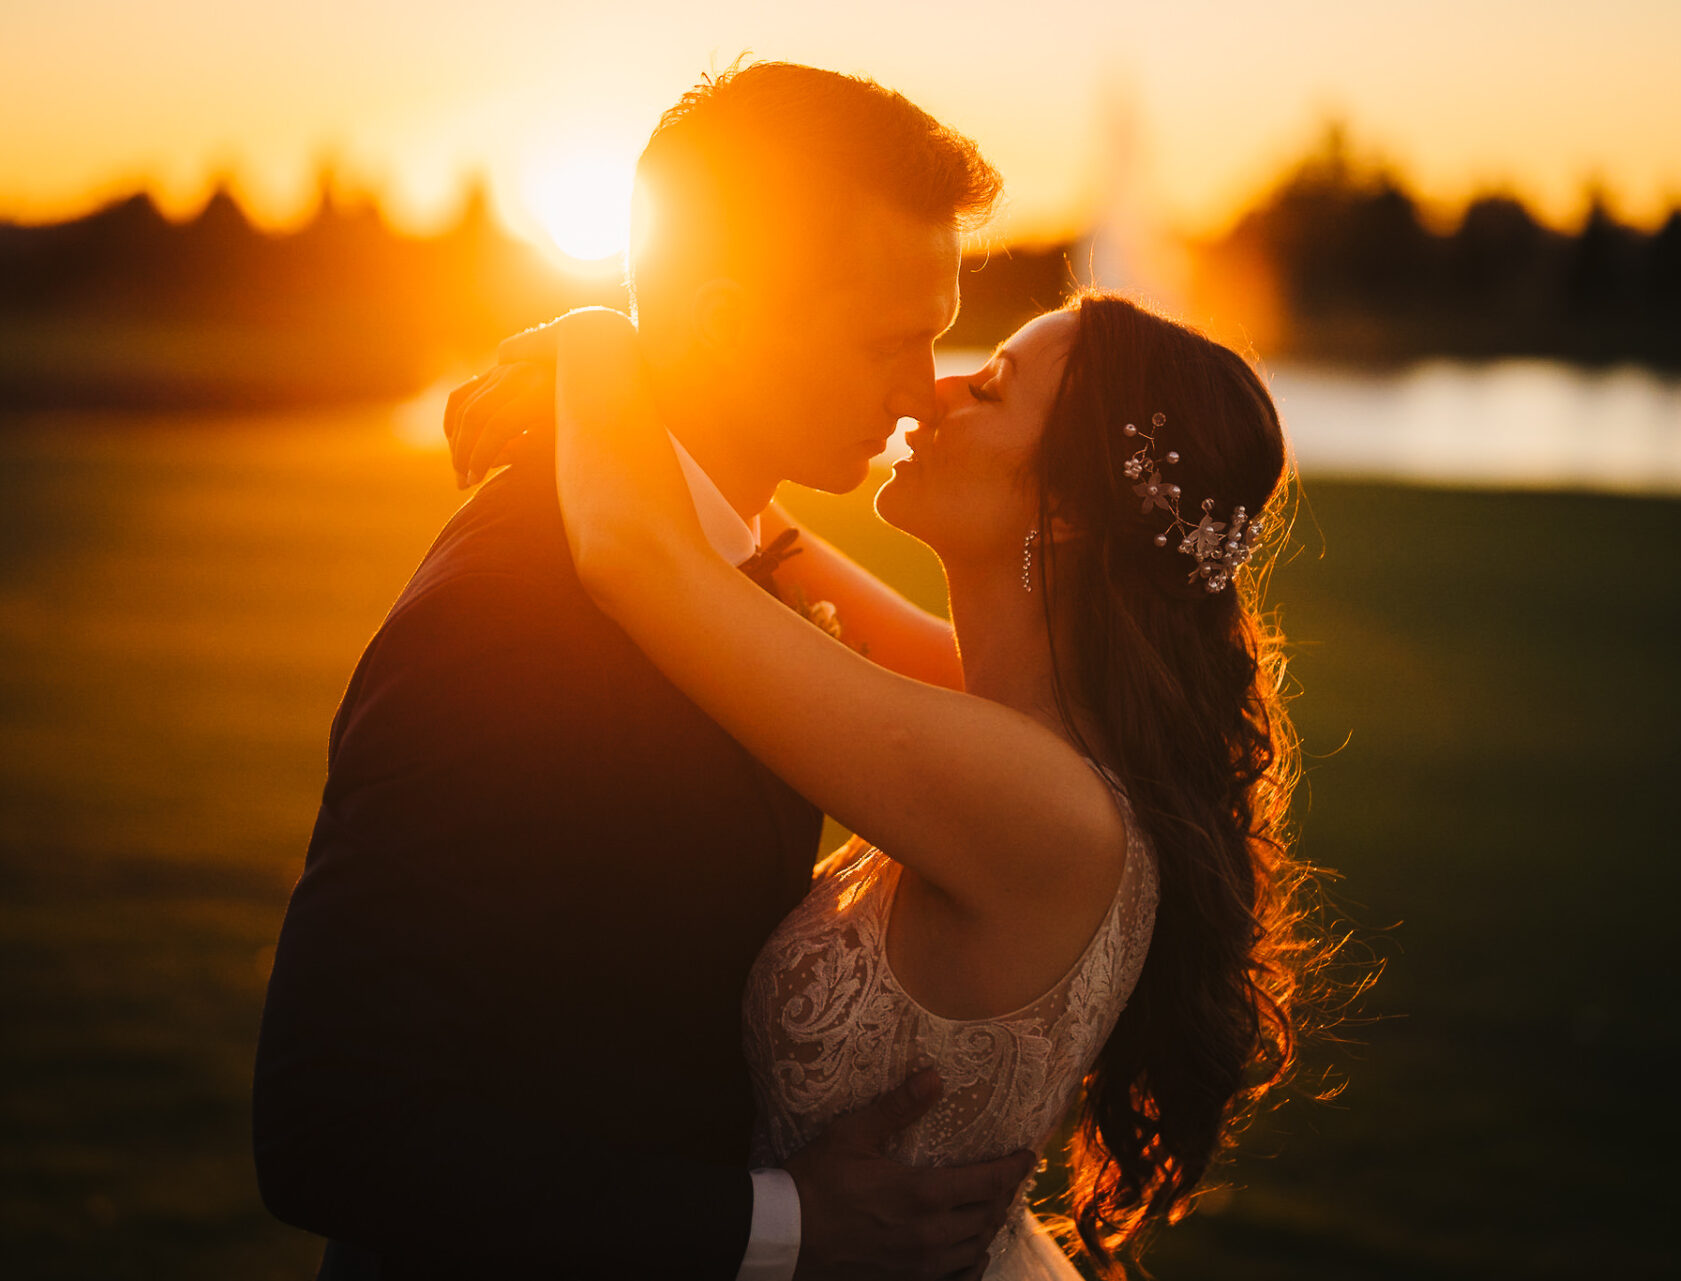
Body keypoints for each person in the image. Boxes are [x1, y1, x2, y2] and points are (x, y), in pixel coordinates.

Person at [253, 61, 1035, 1281]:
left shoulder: (721, 569)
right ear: (728, 320)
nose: (919, 389)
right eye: (892, 339)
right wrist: (790, 1228)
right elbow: (334, 1131)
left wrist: (595, 352)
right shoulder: (510, 622)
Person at [455, 287, 1332, 1279]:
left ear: (1076, 512)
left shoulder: (1032, 801)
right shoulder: (1019, 717)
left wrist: (596, 338)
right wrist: (697, 393)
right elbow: (777, 558)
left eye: (992, 390)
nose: (934, 392)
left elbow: (638, 554)